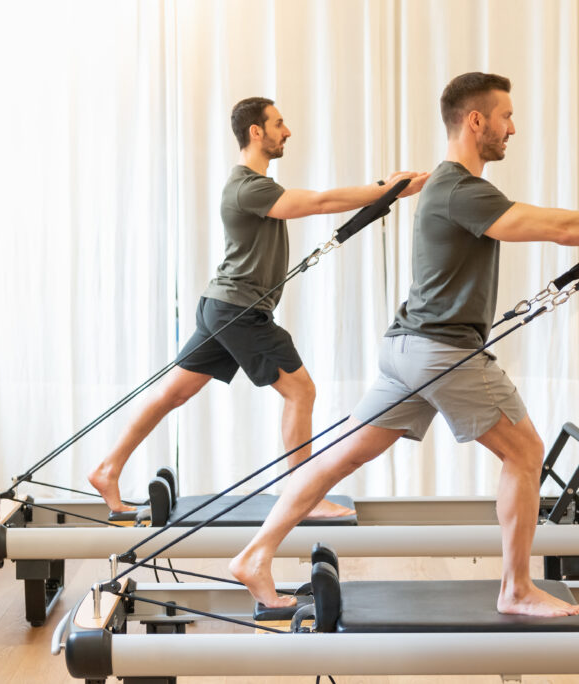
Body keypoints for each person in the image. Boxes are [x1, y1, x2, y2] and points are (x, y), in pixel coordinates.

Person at [229, 73, 579, 616]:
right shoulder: (460, 189)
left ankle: (255, 554)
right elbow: (559, 228)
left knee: (341, 455)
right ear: (476, 120)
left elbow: (563, 226)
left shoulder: (449, 186)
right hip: (441, 352)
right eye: (506, 116)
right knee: (525, 453)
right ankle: (516, 589)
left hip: (407, 349)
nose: (513, 128)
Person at [89, 96, 428, 515]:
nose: (287, 132)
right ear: (256, 131)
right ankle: (302, 497)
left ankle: (107, 468)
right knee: (301, 391)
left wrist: (386, 189)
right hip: (238, 311)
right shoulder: (249, 187)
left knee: (172, 394)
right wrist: (387, 189)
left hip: (223, 306)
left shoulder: (251, 186)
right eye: (279, 123)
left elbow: (321, 202)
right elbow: (320, 202)